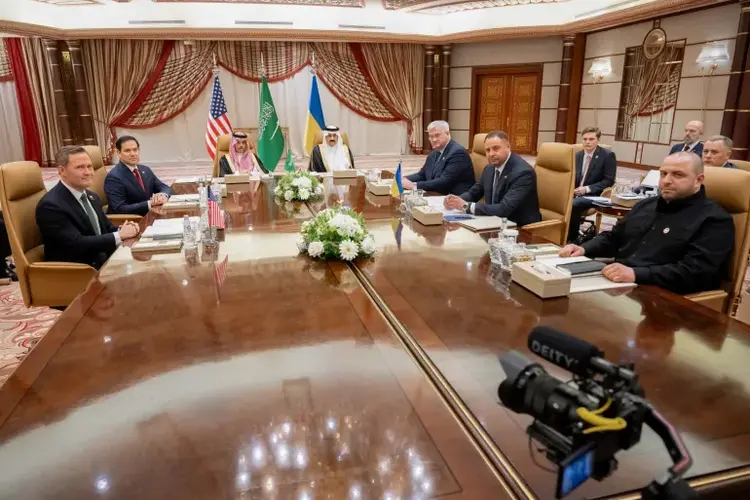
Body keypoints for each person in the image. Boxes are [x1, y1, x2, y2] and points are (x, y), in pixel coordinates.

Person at [559, 152, 734, 295]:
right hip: (620, 285)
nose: (666, 180)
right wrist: (584, 248)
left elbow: (695, 272)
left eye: (678, 175)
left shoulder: (714, 220)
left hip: (664, 296)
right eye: (663, 174)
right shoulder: (645, 205)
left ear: (698, 180)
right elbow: (614, 238)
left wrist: (636, 274)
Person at [36, 146, 140, 270]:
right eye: (80, 167)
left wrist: (124, 229)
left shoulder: (92, 197)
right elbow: (76, 244)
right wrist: (119, 235)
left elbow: (106, 228)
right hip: (79, 271)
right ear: (62, 171)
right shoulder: (51, 206)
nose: (88, 172)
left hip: (104, 261)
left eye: (89, 166)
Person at [443, 131, 541, 226]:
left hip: (520, 228)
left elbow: (504, 209)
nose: (491, 154)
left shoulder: (523, 173)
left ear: (508, 147)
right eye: (487, 150)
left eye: (496, 148)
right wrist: (456, 200)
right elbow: (474, 193)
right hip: (493, 222)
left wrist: (466, 206)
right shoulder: (489, 168)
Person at [567, 126, 617, 243]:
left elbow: (609, 181)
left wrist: (587, 189)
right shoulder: (577, 155)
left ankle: (572, 238)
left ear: (598, 140)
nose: (587, 142)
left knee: (575, 204)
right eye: (585, 139)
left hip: (595, 194)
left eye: (591, 139)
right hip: (575, 192)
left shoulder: (607, 155)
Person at [104, 135, 172, 216]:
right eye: (127, 151)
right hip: (131, 220)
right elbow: (119, 209)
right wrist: (149, 203)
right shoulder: (113, 177)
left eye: (135, 150)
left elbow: (164, 187)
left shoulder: (145, 169)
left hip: (150, 215)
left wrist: (163, 195)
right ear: (119, 153)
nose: (133, 154)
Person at [402, 120, 474, 195]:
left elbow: (444, 182)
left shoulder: (458, 153)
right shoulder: (433, 153)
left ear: (447, 133)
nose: (434, 139)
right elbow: (422, 175)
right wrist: (404, 179)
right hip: (437, 194)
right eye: (431, 136)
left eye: (437, 135)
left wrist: (414, 186)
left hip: (455, 197)